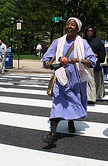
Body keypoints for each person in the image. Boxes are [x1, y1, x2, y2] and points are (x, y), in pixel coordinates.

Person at [41, 17, 96, 146]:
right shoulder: (58, 42)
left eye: (72, 25)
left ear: (77, 28)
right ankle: (52, 135)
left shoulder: (82, 43)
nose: (69, 26)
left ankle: (71, 121)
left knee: (72, 101)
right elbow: (47, 58)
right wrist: (48, 62)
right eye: (67, 24)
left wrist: (78, 60)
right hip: (60, 76)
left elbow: (92, 61)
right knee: (58, 103)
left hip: (76, 79)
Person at [85, 26, 106, 104]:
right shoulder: (84, 41)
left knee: (96, 82)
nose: (89, 32)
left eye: (91, 31)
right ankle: (89, 97)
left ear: (94, 32)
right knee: (88, 81)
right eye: (88, 31)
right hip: (86, 64)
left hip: (95, 64)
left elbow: (102, 53)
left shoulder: (98, 42)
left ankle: (95, 96)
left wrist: (96, 55)